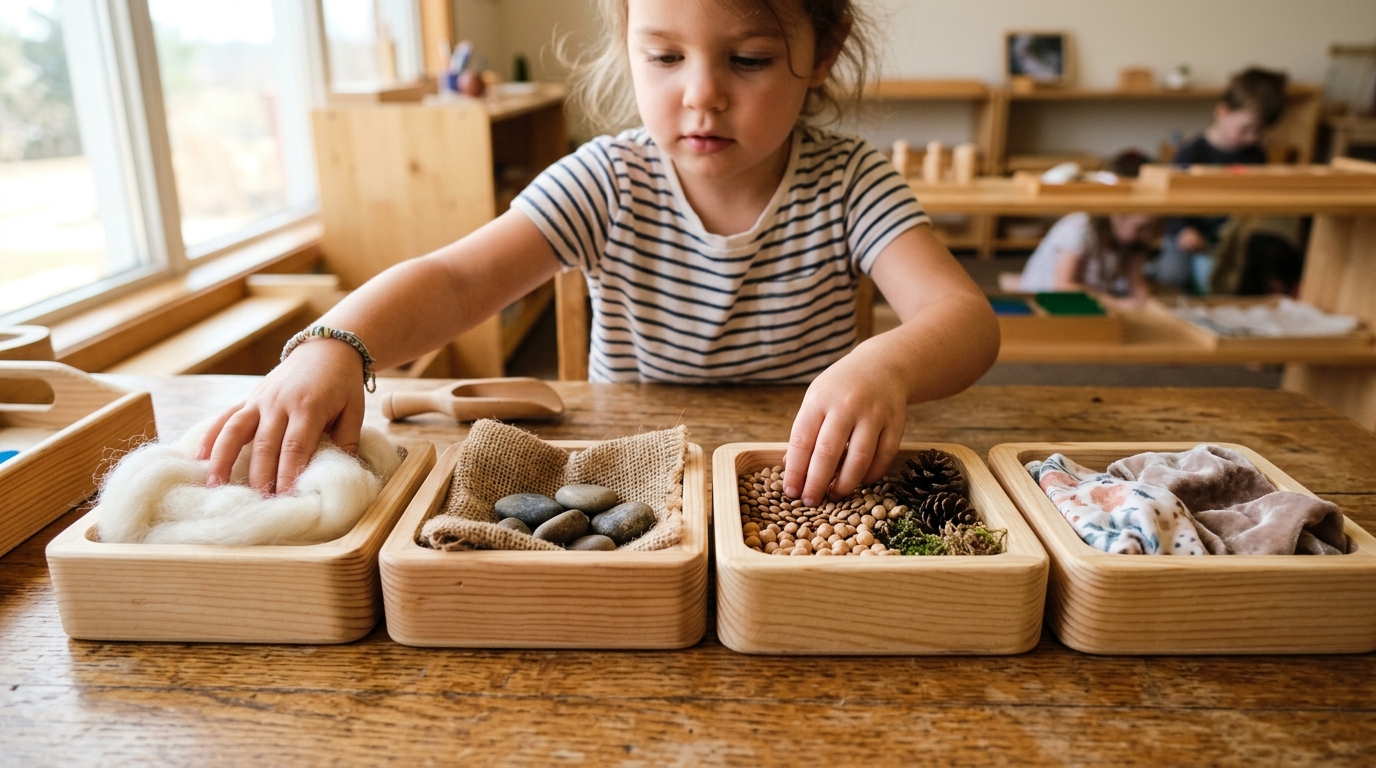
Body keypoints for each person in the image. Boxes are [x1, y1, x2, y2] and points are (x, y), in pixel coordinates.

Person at [196, 0, 999, 508]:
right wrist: (335, 345)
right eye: (664, 57)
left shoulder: (850, 179)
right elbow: (454, 280)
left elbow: (963, 318)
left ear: (823, 52)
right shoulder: (608, 179)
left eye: (747, 59)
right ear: (625, 39)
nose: (701, 94)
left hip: (799, 477)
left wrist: (886, 365)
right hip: (625, 476)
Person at [1154, 67, 1289, 292]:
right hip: (1187, 233)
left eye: (1260, 132)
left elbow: (1257, 199)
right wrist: (1183, 230)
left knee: (1234, 282)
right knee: (1173, 277)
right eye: (1245, 129)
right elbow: (1171, 201)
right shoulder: (1191, 153)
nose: (1253, 138)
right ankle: (1155, 269)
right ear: (1222, 112)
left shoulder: (1255, 155)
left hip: (1228, 238)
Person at [1014, 151, 1160, 307]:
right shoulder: (1079, 228)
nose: (1148, 235)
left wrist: (1146, 304)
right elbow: (1063, 286)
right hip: (1047, 301)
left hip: (1088, 302)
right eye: (1142, 228)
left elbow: (1136, 284)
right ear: (1117, 214)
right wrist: (1116, 303)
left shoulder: (1131, 243)